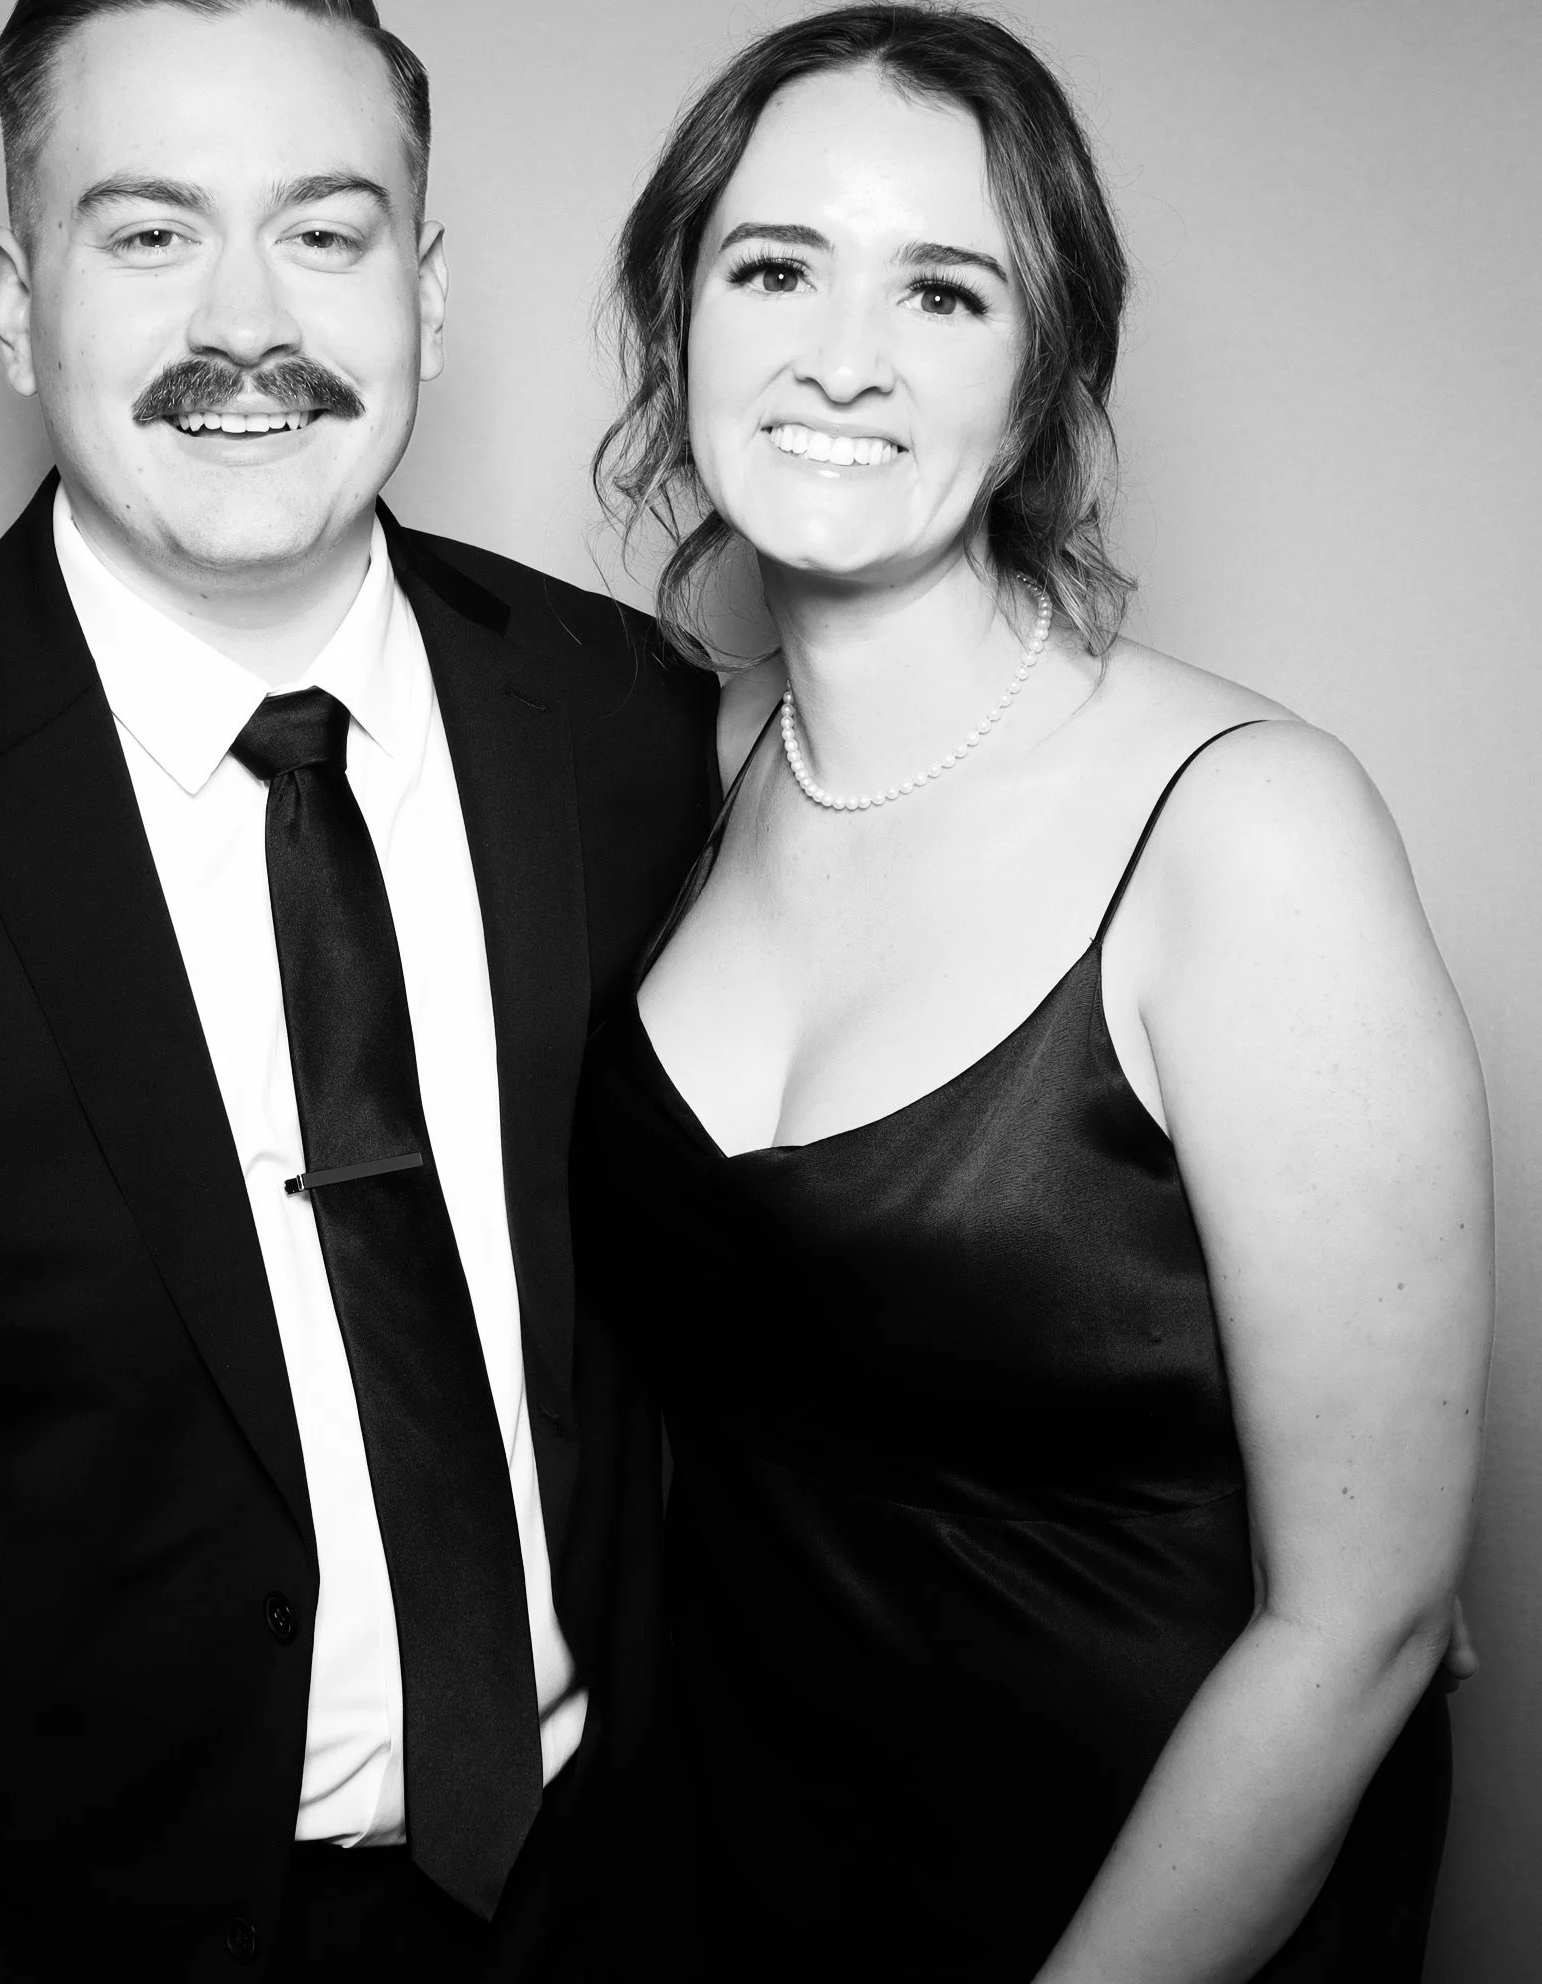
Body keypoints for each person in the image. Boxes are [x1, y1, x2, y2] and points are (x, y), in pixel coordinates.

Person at [0, 3, 713, 1978]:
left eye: (327, 232)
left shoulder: (623, 727)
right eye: (149, 232)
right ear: (18, 303)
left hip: (619, 1896)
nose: (244, 319)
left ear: (426, 296)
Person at [573, 6, 1492, 1978]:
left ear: (1043, 373)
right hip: (728, 1875)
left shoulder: (1246, 832)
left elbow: (1365, 1622)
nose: (839, 353)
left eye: (942, 290)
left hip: (1141, 1905)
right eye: (770, 268)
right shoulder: (665, 770)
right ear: (679, 317)